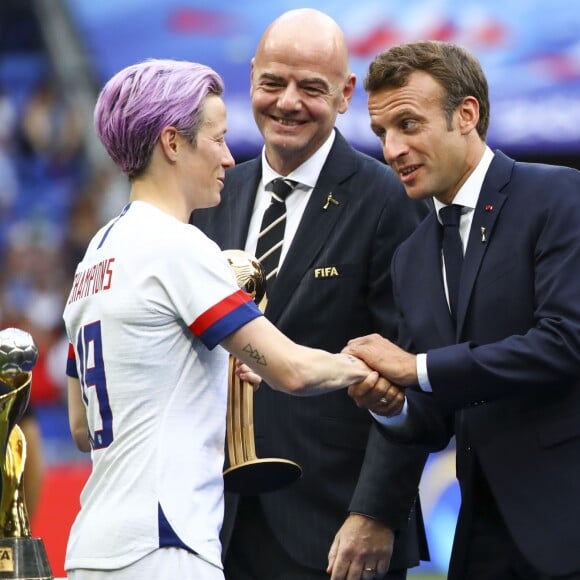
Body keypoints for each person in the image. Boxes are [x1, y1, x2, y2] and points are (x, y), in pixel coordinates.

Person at [62, 58, 385, 580]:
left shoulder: (96, 253)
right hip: (166, 543)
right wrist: (364, 366)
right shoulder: (178, 245)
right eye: (217, 138)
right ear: (173, 142)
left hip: (94, 542)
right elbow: (293, 371)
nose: (230, 158)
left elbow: (81, 426)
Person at [191, 9, 430, 580]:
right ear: (251, 78)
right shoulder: (209, 197)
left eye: (311, 88)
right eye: (273, 82)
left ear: (346, 94)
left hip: (335, 531)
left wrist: (375, 511)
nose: (287, 102)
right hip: (212, 525)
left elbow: (408, 374)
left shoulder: (390, 201)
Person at [346, 40, 580, 580]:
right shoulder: (412, 256)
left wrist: (417, 368)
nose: (392, 149)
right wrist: (391, 403)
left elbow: (566, 341)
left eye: (408, 124)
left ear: (466, 114)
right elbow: (436, 415)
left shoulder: (557, 195)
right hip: (481, 533)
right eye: (382, 133)